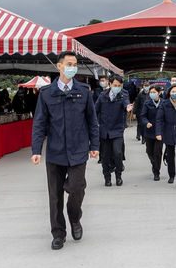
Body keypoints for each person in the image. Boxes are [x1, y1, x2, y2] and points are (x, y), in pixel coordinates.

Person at [31, 51, 99, 251]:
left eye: (75, 64)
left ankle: (75, 218)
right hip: (55, 152)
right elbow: (39, 123)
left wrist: (94, 146)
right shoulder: (46, 93)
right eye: (69, 63)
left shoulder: (84, 91)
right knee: (55, 195)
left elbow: (92, 122)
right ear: (59, 66)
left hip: (78, 150)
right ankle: (58, 233)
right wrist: (37, 150)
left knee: (77, 188)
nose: (73, 67)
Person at [95, 75, 133, 187]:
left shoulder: (123, 95)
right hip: (105, 130)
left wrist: (127, 107)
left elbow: (126, 102)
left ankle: (118, 176)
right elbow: (95, 110)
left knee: (117, 152)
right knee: (105, 156)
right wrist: (96, 122)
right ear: (110, 84)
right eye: (115, 85)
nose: (117, 87)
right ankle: (107, 177)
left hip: (117, 129)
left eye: (119, 86)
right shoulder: (102, 96)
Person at [139, 86, 164, 181]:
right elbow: (143, 116)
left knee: (157, 152)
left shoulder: (164, 103)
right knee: (149, 151)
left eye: (154, 92)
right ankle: (154, 164)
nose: (152, 93)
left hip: (160, 132)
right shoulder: (147, 103)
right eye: (151, 92)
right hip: (149, 131)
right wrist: (146, 123)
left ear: (159, 93)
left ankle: (156, 171)